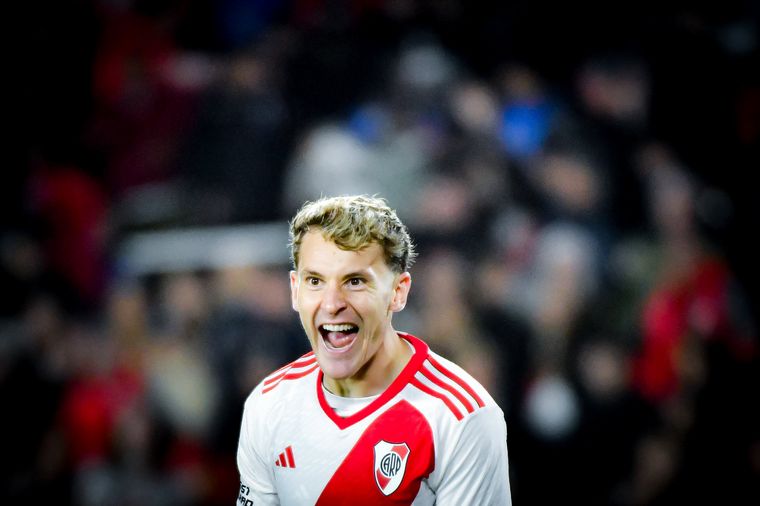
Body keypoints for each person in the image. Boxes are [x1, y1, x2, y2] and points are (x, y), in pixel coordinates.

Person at [236, 195, 512, 505]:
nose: (331, 304)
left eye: (354, 281)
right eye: (315, 281)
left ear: (398, 292)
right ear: (295, 291)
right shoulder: (268, 403)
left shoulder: (461, 418)